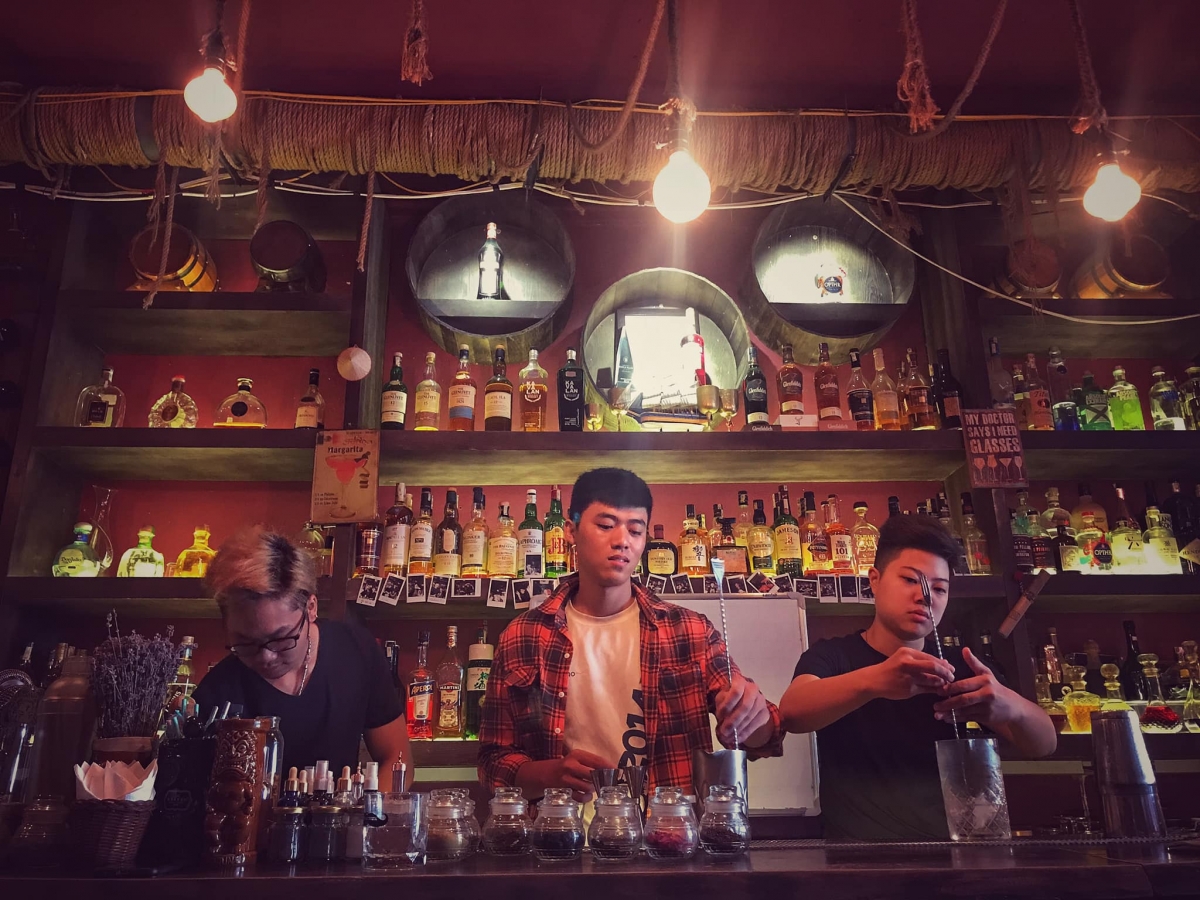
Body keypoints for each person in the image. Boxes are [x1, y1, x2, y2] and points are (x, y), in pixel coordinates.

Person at [478, 468, 784, 800]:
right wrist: (551, 774)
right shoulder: (523, 635)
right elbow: (492, 762)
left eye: (635, 530)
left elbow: (767, 737)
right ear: (571, 530)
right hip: (562, 828)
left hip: (666, 827)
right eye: (605, 525)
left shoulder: (690, 631)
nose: (622, 540)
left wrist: (752, 716)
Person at [780, 514, 1056, 841]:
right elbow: (792, 712)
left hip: (952, 852)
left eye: (939, 588)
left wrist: (1011, 705)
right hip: (856, 856)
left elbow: (1044, 745)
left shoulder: (960, 665)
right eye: (911, 580)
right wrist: (875, 681)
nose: (926, 596)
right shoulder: (835, 655)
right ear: (874, 580)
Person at [193, 527, 412, 789]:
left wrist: (367, 811)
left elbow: (396, 759)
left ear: (311, 608)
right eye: (246, 643)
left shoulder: (356, 651)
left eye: (281, 638)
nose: (266, 656)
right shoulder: (216, 692)